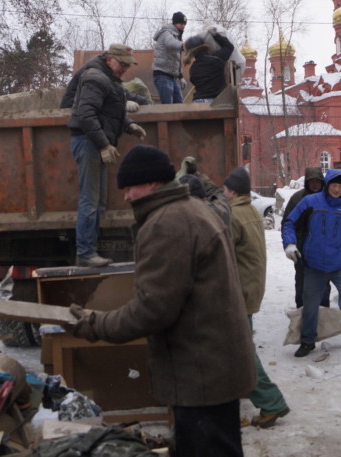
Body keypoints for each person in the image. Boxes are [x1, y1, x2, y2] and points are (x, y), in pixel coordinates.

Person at [68, 146, 255, 457]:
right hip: (214, 367)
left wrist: (94, 323)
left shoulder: (167, 223)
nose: (126, 196)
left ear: (153, 183)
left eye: (131, 187)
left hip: (201, 373)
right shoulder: (192, 209)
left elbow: (152, 311)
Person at [59, 44, 147, 267]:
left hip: (93, 142)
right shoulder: (95, 78)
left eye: (128, 65)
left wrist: (129, 125)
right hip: (88, 143)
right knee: (90, 200)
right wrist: (104, 145)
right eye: (122, 64)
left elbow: (109, 113)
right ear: (109, 59)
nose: (125, 69)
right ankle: (86, 253)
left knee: (97, 201)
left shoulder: (109, 80)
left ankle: (89, 251)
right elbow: (86, 115)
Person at [281, 168, 341, 367]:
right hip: (313, 264)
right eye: (334, 185)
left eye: (340, 186)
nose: (336, 189)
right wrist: (289, 244)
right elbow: (289, 222)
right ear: (327, 185)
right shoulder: (310, 202)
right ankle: (307, 341)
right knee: (310, 304)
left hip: (339, 265)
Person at [221, 166, 290, 429]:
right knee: (238, 349)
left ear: (234, 191)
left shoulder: (233, 215)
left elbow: (220, 252)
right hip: (250, 288)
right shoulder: (249, 210)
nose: (223, 194)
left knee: (242, 352)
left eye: (225, 190)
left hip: (239, 292)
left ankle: (271, 401)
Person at [281, 166, 330, 309]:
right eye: (311, 181)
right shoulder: (297, 199)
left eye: (318, 181)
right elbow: (287, 223)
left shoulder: (329, 199)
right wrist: (290, 244)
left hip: (323, 252)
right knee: (302, 285)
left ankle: (322, 318)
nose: (315, 184)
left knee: (323, 286)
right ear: (307, 182)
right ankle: (302, 316)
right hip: (302, 251)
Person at [184, 29, 234, 102]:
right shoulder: (217, 59)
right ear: (205, 46)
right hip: (217, 103)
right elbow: (229, 47)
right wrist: (216, 35)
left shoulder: (193, 69)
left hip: (198, 102)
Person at [152, 12, 187, 104]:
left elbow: (176, 59)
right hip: (162, 75)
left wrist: (181, 76)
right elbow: (171, 43)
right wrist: (187, 45)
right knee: (168, 107)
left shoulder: (177, 37)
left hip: (172, 77)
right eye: (181, 24)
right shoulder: (166, 33)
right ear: (175, 23)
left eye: (184, 24)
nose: (183, 26)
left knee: (179, 105)